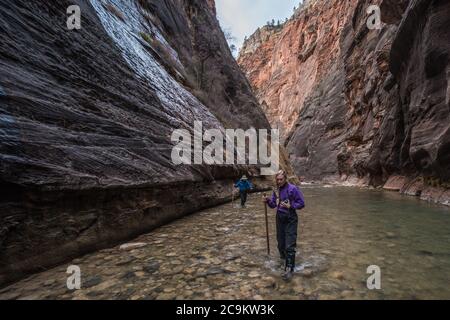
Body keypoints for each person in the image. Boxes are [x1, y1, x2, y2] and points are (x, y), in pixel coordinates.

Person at [263, 170, 305, 281]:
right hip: (280, 219)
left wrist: (291, 205)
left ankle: (289, 268)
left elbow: (301, 203)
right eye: (278, 179)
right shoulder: (276, 190)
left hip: (291, 218)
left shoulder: (293, 189)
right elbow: (273, 205)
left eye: (281, 179)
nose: (279, 181)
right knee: (281, 244)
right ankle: (283, 261)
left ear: (285, 179)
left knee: (289, 245)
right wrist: (267, 200)